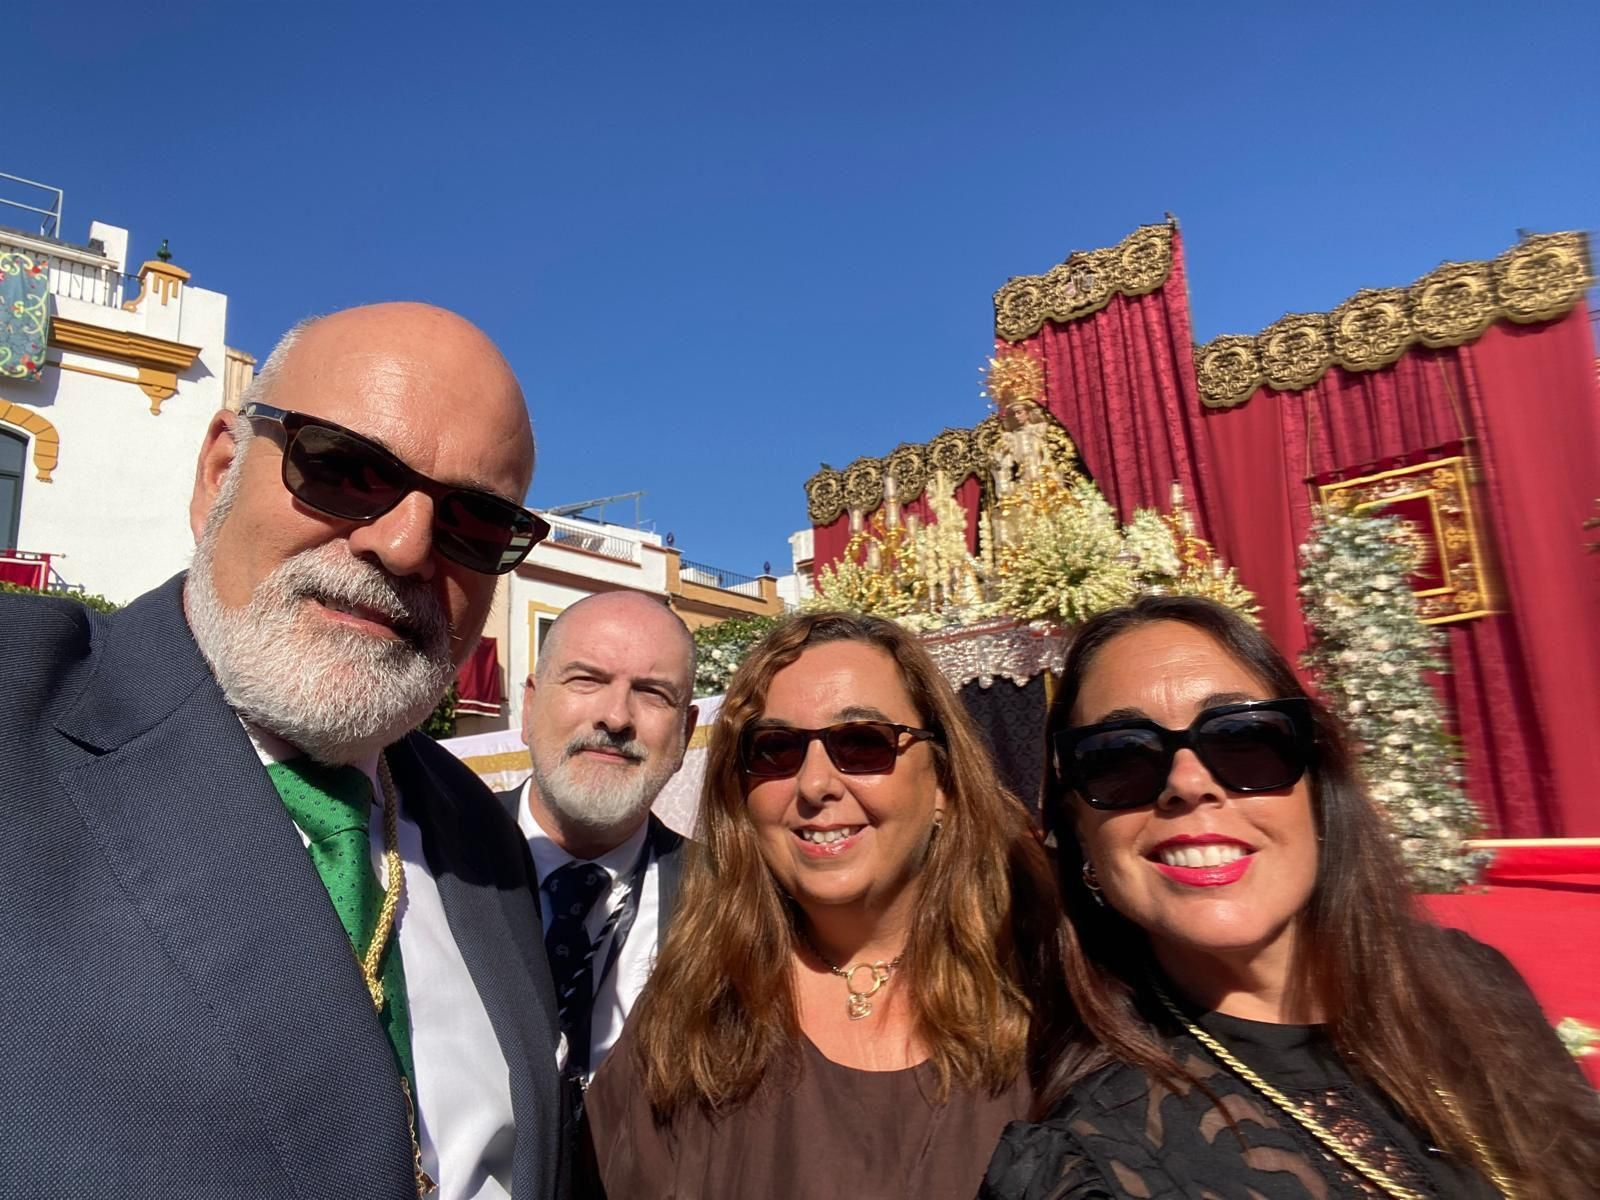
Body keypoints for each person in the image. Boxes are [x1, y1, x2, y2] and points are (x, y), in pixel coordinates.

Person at [0, 303, 568, 1200]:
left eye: (475, 521)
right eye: (345, 469)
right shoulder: (22, 711)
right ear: (220, 471)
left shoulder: (479, 836)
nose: (403, 545)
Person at [981, 595, 1600, 1200]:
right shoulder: (1095, 1162)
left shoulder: (1472, 981)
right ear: (1081, 834)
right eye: (1118, 756)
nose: (1188, 783)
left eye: (1243, 738)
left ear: (1317, 784)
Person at [586, 611, 1065, 1200]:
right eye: (775, 749)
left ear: (942, 782)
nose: (815, 785)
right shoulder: (690, 1006)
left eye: (862, 743)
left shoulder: (1050, 996)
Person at [501, 592, 696, 1076]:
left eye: (653, 693)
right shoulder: (431, 856)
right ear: (529, 707)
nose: (616, 717)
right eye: (586, 680)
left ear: (686, 735)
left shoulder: (729, 899)